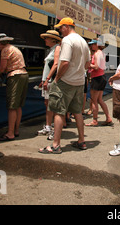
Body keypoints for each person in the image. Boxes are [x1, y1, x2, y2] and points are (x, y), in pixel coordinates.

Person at [39, 18, 90, 154]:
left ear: (67, 26)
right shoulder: (83, 41)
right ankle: (81, 141)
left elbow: (65, 63)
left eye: (61, 28)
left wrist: (57, 77)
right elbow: (87, 64)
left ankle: (55, 145)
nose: (60, 31)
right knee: (77, 112)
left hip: (66, 82)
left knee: (59, 112)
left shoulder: (67, 40)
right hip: (79, 82)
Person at [0, 33, 29, 141]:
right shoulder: (14, 48)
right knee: (18, 106)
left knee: (12, 106)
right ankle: (16, 130)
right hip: (23, 74)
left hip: (14, 76)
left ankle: (10, 133)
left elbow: (2, 68)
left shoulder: (5, 50)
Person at [36, 30, 61, 139]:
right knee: (48, 104)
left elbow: (55, 64)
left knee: (53, 105)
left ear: (53, 39)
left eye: (47, 38)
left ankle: (55, 129)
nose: (45, 40)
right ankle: (48, 126)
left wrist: (47, 79)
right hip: (48, 81)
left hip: (51, 81)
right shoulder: (52, 50)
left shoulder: (57, 49)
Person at [86, 40, 113, 126]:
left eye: (92, 44)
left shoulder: (97, 54)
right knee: (99, 100)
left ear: (97, 45)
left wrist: (88, 65)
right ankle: (108, 117)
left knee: (94, 100)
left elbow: (97, 67)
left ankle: (94, 120)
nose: (91, 46)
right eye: (90, 44)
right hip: (101, 77)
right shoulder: (100, 53)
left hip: (97, 78)